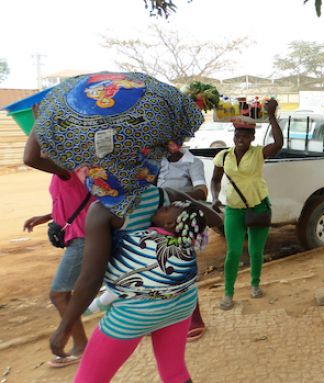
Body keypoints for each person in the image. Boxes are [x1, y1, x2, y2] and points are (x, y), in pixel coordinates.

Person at [34, 71, 212, 382]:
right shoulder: (161, 194)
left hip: (136, 310)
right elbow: (213, 219)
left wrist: (63, 328)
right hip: (181, 299)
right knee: (174, 372)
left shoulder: (103, 212)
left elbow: (89, 279)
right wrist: (185, 219)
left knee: (88, 379)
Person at [211, 99, 284, 310]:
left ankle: (255, 284)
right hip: (234, 210)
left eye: (244, 136)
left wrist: (271, 115)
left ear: (252, 137)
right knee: (233, 252)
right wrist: (215, 198)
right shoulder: (223, 156)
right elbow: (215, 180)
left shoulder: (258, 153)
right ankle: (228, 293)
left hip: (259, 207)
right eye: (237, 135)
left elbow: (278, 144)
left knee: (255, 250)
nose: (240, 139)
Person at [84, 201, 209, 314]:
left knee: (122, 282)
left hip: (140, 294)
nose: (160, 207)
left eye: (165, 209)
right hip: (169, 300)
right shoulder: (182, 246)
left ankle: (96, 306)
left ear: (169, 223)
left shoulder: (153, 240)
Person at [22, 172, 93, 368]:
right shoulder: (66, 172)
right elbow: (73, 202)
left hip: (81, 236)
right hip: (80, 233)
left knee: (59, 294)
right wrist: (45, 217)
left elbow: (33, 160)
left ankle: (80, 346)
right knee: (66, 293)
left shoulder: (67, 171)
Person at [157, 139, 209, 341]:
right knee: (158, 269)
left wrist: (171, 195)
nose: (171, 143)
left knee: (181, 269)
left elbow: (202, 191)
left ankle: (194, 318)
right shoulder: (157, 161)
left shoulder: (192, 162)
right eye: (167, 140)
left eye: (176, 139)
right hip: (158, 220)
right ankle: (162, 319)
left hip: (181, 224)